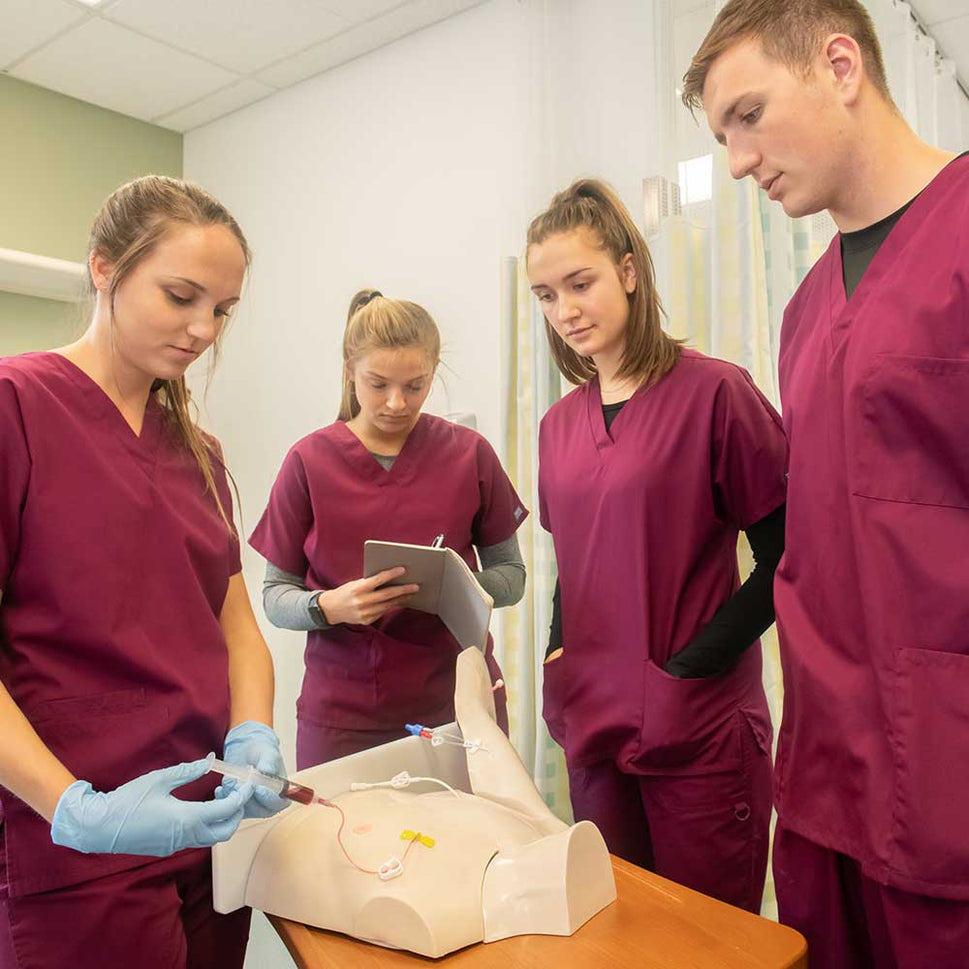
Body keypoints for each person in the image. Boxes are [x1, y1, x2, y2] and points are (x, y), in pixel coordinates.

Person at [683, 0, 969, 963]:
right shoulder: (806, 311)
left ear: (839, 65)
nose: (734, 161)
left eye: (748, 115)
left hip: (947, 774)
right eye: (722, 135)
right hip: (822, 775)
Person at [0, 175, 288, 969]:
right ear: (104, 268)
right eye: (181, 295)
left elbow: (235, 627)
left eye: (221, 309)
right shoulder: (15, 407)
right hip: (75, 845)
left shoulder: (199, 450)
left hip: (204, 823)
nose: (202, 328)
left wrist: (254, 729)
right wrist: (72, 808)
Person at [528, 178, 788, 912]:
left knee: (705, 939)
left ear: (629, 272)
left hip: (697, 728)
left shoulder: (715, 393)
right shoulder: (556, 427)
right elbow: (570, 562)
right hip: (594, 723)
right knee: (621, 928)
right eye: (546, 294)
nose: (564, 311)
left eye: (579, 283)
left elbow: (784, 557)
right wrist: (556, 650)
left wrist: (686, 671)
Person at [249, 290, 528, 768]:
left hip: (458, 705)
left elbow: (512, 577)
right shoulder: (308, 462)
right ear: (349, 370)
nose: (397, 403)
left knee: (466, 839)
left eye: (415, 386)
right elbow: (276, 596)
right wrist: (329, 606)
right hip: (344, 715)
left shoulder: (470, 454)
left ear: (434, 372)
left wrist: (454, 585)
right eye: (378, 385)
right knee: (341, 839)